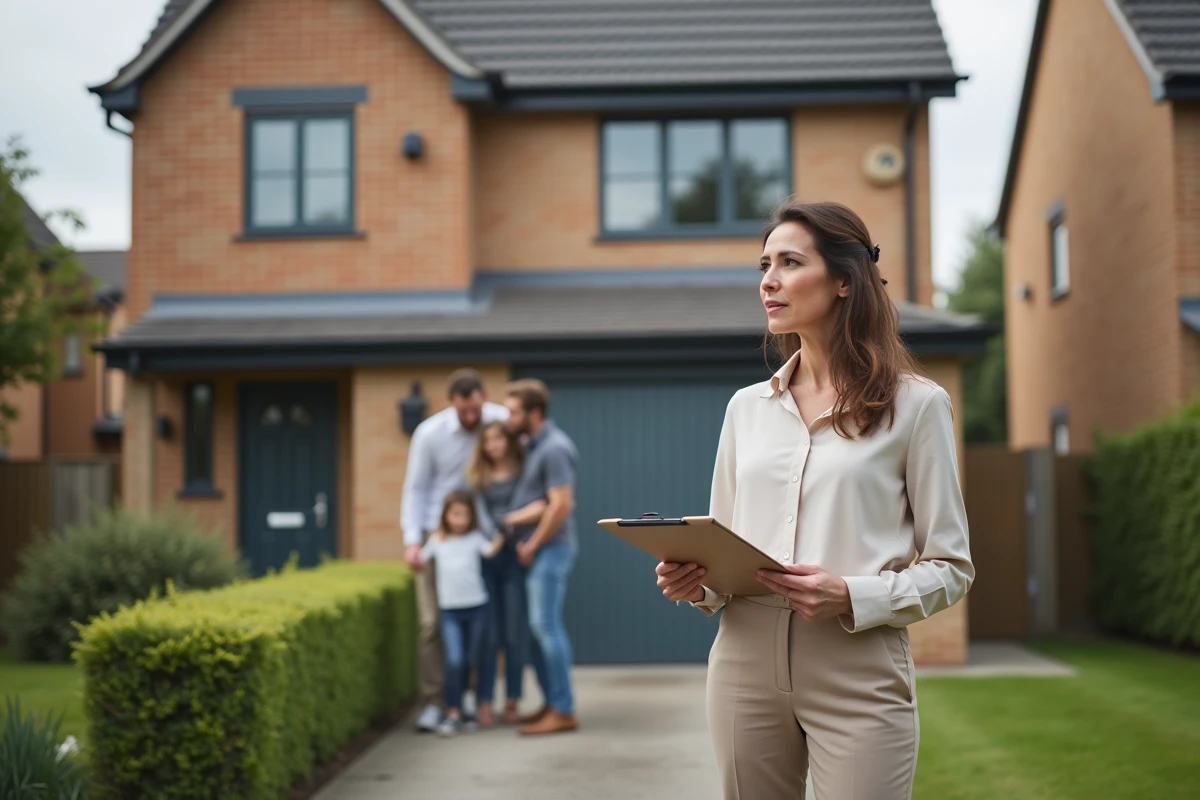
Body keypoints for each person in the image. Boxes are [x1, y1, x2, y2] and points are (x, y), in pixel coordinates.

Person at [655, 201, 974, 799]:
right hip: (743, 661)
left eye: (790, 263)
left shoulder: (917, 406)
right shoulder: (745, 409)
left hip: (858, 664)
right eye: (764, 265)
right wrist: (696, 583)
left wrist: (852, 594)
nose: (768, 281)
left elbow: (951, 567)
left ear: (844, 280)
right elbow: (723, 543)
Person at [400, 369, 508, 733]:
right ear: (452, 404)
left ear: (484, 397)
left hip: (481, 535)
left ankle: (469, 699)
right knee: (432, 624)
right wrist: (412, 540)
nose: (472, 417)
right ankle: (434, 703)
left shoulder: (498, 420)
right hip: (438, 535)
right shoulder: (429, 433)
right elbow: (415, 488)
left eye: (476, 408)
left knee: (480, 624)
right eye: (464, 411)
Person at [501, 378, 581, 736]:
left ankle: (563, 710)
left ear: (533, 413)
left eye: (513, 412)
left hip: (551, 549)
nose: (508, 418)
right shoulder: (532, 446)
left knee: (546, 627)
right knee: (537, 630)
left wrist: (532, 545)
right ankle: (552, 702)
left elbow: (561, 505)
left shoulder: (555, 448)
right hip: (538, 550)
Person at [466, 421, 547, 727]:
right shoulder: (478, 478)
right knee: (490, 635)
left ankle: (513, 701)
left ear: (507, 442)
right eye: (488, 441)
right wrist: (495, 536)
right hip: (487, 560)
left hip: (515, 558)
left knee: (515, 634)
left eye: (498, 439)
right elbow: (480, 517)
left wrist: (505, 534)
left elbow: (528, 508)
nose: (494, 446)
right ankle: (485, 703)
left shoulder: (523, 473)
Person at [417, 490, 504, 737]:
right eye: (455, 514)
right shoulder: (437, 540)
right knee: (454, 659)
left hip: (476, 608)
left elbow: (490, 551)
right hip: (450, 612)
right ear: (445, 515)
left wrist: (502, 534)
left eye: (465, 514)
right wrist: (413, 554)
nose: (460, 519)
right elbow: (420, 560)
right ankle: (452, 711)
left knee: (470, 658)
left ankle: (466, 701)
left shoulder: (475, 538)